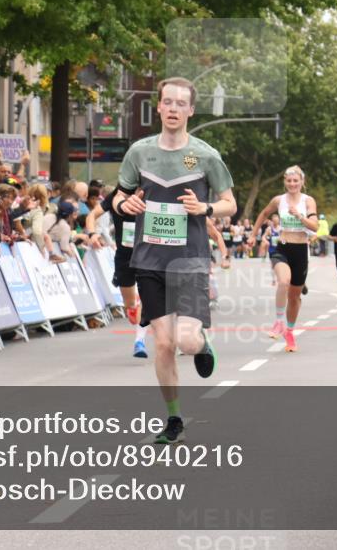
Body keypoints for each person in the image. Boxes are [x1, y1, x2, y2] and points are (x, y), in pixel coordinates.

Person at [113, 77, 236, 444]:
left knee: (186, 341)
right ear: (160, 106)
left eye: (180, 103)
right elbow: (118, 198)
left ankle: (203, 344)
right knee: (163, 344)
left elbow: (231, 203)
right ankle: (174, 418)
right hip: (149, 260)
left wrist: (206, 207)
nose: (172, 109)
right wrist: (125, 204)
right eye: (167, 102)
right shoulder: (139, 152)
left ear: (190, 110)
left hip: (190, 261)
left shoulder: (206, 155)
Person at [248, 165, 318, 352]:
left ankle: (289, 330)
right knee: (283, 281)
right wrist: (253, 235)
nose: (292, 184)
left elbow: (315, 226)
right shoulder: (279, 200)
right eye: (289, 180)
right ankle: (278, 322)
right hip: (283, 248)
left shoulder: (308, 201)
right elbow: (263, 214)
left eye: (296, 180)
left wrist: (300, 216)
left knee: (294, 297)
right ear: (284, 182)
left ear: (302, 182)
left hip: (301, 251)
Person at [87, 185, 144, 356]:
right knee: (131, 308)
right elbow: (92, 215)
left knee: (146, 296)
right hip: (124, 256)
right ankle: (135, 311)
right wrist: (92, 234)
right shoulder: (116, 196)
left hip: (148, 255)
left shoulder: (152, 191)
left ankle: (139, 341)